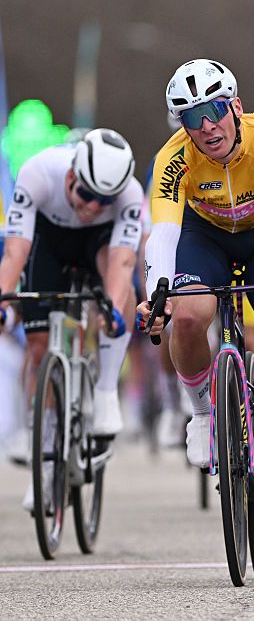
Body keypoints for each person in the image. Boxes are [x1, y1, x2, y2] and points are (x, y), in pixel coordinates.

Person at [136, 58, 254, 516]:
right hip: (204, 235)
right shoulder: (172, 158)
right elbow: (165, 233)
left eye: (214, 110)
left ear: (235, 105)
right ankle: (201, 412)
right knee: (189, 317)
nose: (208, 126)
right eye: (193, 118)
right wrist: (158, 292)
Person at [0, 129, 142, 510]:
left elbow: (122, 260)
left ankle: (106, 389)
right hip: (48, 242)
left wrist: (111, 310)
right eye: (86, 194)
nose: (94, 205)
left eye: (105, 199)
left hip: (99, 245)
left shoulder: (128, 195)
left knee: (119, 295)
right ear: (70, 177)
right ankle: (44, 454)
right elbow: (15, 250)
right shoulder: (38, 173)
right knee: (38, 345)